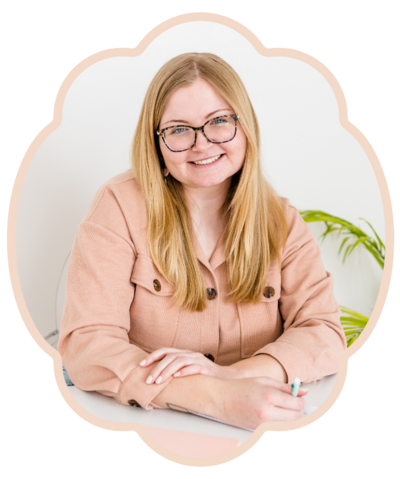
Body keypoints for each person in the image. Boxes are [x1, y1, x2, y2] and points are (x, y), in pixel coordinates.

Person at [58, 52, 346, 430]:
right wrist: (214, 396)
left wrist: (234, 376)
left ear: (245, 127)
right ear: (156, 143)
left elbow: (323, 333)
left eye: (219, 121)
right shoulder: (118, 207)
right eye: (179, 129)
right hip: (149, 424)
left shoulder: (282, 220)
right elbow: (86, 346)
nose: (202, 144)